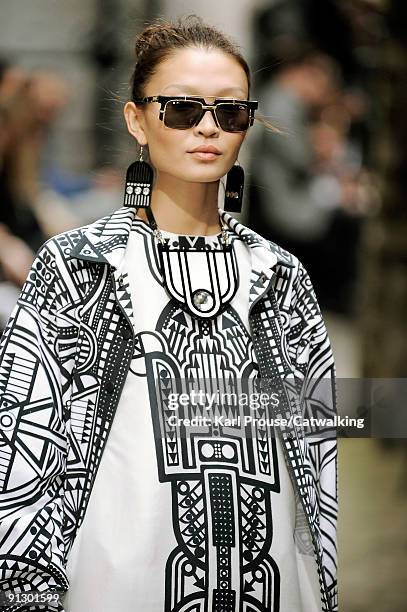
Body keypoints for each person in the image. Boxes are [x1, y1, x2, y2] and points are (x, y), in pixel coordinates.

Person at [0, 16, 338, 612]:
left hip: (270, 585)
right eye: (181, 109)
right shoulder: (78, 268)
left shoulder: (282, 278)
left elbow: (319, 457)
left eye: (230, 112)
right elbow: (22, 456)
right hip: (112, 580)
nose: (207, 127)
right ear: (137, 120)